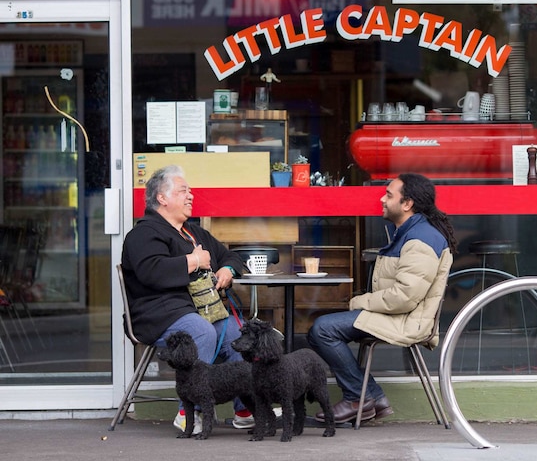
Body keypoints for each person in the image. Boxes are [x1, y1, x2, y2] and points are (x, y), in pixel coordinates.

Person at [121, 165, 275, 434]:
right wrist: (194, 261)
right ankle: (188, 411)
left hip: (197, 312)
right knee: (201, 331)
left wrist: (228, 270)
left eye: (190, 191)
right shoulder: (143, 233)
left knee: (234, 334)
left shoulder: (194, 232)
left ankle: (245, 407)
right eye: (183, 191)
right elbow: (152, 271)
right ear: (162, 198)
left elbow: (231, 256)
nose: (190, 196)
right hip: (157, 314)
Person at [308, 173, 457, 423]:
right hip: (396, 315)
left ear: (407, 203)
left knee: (323, 329)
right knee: (323, 326)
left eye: (389, 195)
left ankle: (358, 397)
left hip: (407, 320)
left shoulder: (421, 239)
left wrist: (360, 302)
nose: (382, 199)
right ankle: (373, 397)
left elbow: (404, 297)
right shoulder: (409, 232)